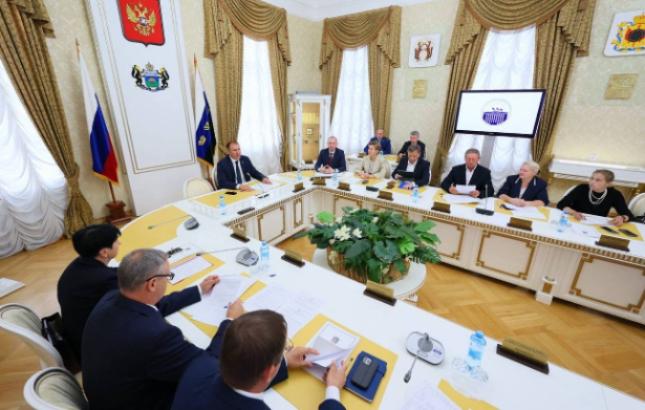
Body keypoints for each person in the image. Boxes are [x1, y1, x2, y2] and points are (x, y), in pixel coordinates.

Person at [82, 249, 223, 410]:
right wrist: (230, 323)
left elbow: (154, 304)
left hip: (109, 396)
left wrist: (198, 290)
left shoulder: (111, 298)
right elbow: (206, 366)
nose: (168, 281)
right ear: (153, 284)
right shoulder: (157, 336)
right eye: (168, 276)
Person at [172, 309, 346, 410]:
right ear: (269, 371)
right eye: (284, 348)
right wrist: (333, 390)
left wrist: (284, 362)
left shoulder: (198, 366)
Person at [57, 224, 121, 362]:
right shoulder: (105, 280)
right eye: (116, 242)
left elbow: (109, 273)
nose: (119, 243)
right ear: (104, 252)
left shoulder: (77, 265)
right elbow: (135, 307)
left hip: (77, 335)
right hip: (98, 350)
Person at [557, 169, 633, 226]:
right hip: (576, 221)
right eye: (592, 178)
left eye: (598, 180)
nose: (592, 182)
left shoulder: (614, 194)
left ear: (608, 183)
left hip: (597, 225)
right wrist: (573, 213)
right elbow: (561, 204)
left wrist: (622, 218)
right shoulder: (582, 188)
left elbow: (628, 215)